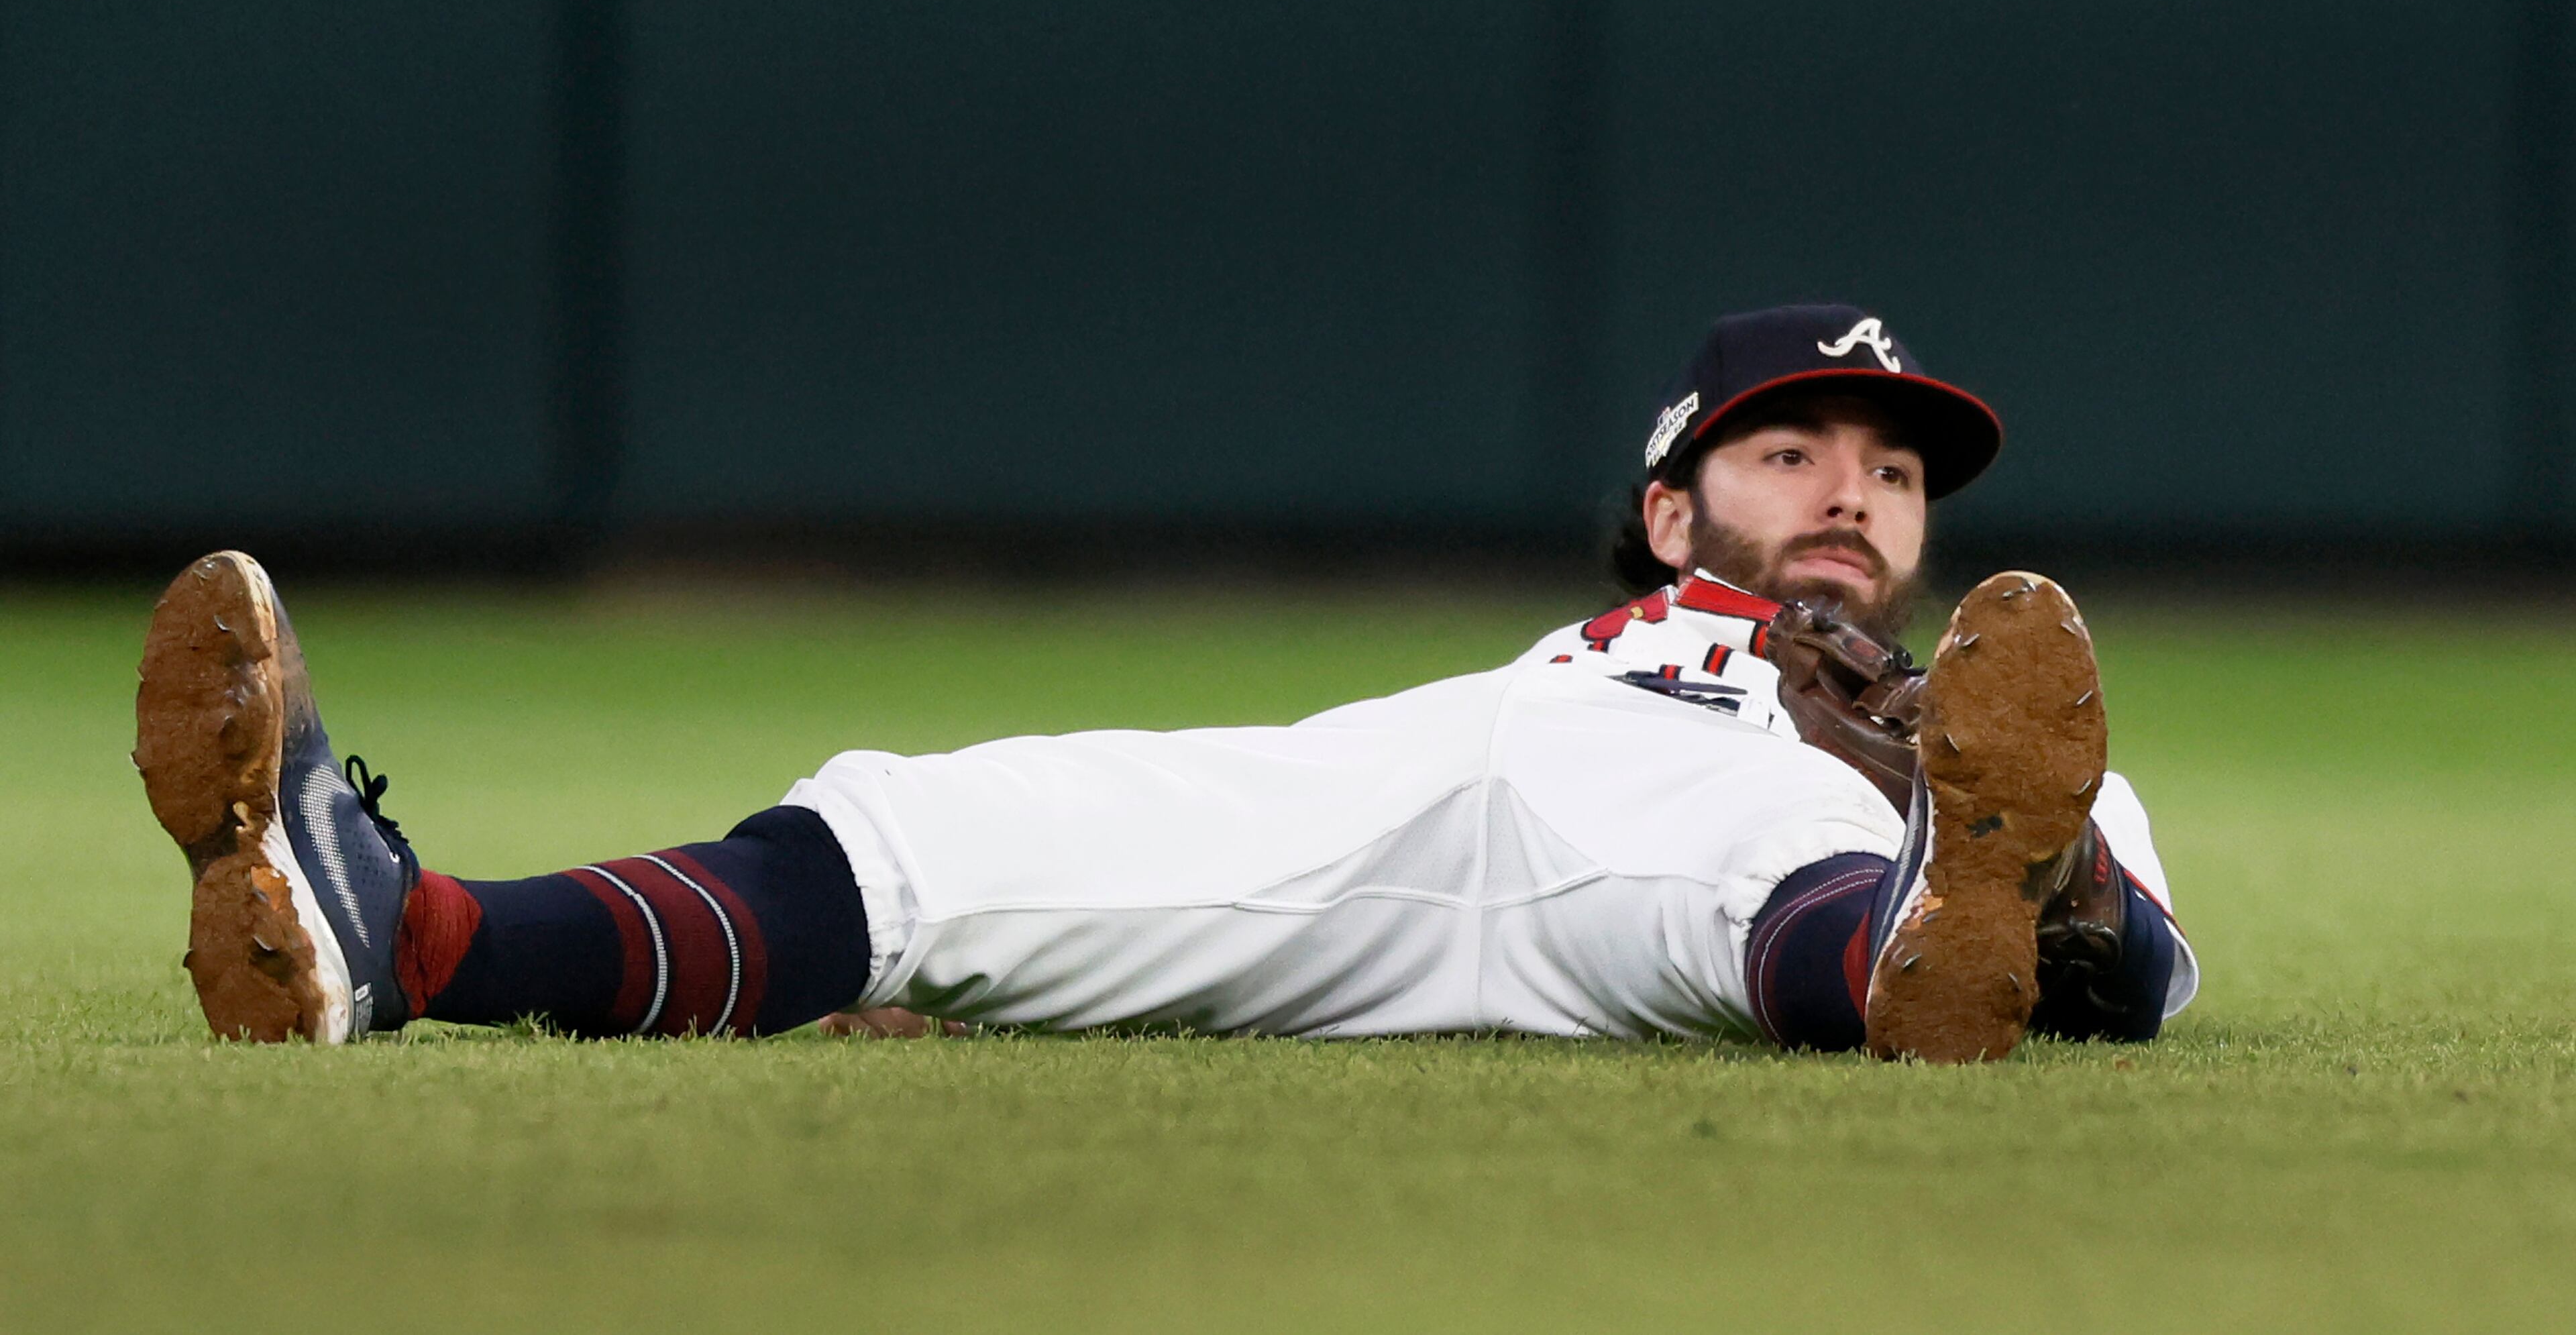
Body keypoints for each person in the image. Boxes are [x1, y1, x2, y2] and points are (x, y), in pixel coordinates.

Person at [133, 305, 2194, 1063]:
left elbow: (2163, 953)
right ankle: (400, 929)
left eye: (1895, 467)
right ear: (1674, 512)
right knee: (917, 827)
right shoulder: (1593, 652)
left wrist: (2059, 896)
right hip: (1422, 774)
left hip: (1766, 830)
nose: (1858, 487)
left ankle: (1925, 952)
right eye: (1796, 448)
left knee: (1776, 862)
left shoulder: (1988, 714)